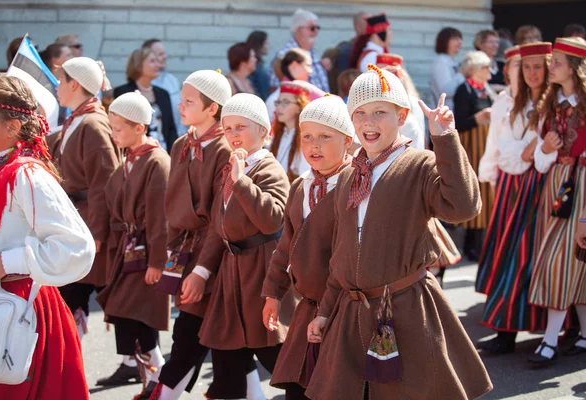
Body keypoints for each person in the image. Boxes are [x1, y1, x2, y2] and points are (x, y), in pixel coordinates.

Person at [305, 66, 492, 400]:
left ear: (402, 115)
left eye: (380, 112)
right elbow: (342, 253)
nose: (369, 122)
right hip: (351, 314)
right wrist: (324, 312)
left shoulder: (419, 163)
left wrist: (445, 139)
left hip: (405, 312)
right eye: (360, 113)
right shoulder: (350, 175)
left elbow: (463, 207)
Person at [151, 70, 263, 400]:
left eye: (189, 101)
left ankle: (164, 393)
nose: (180, 106)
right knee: (226, 340)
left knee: (192, 332)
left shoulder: (226, 149)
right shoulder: (181, 143)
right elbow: (172, 206)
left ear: (212, 108)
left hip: (218, 254)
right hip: (186, 250)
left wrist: (202, 270)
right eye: (181, 99)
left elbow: (220, 216)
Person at [0, 74, 95, 399]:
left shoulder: (27, 175)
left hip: (21, 316)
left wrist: (4, 262)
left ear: (12, 127)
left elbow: (76, 248)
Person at [196, 93, 293, 400]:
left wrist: (242, 183)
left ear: (263, 132)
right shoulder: (231, 167)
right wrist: (201, 270)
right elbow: (218, 225)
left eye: (241, 127)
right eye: (228, 129)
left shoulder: (268, 169)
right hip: (231, 272)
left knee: (274, 352)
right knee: (227, 350)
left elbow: (273, 221)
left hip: (261, 269)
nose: (234, 134)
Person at [261, 94, 354, 400]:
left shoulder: (355, 188)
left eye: (325, 137)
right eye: (308, 136)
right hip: (308, 307)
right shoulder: (301, 186)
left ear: (348, 142)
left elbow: (347, 258)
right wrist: (273, 293)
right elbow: (285, 245)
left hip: (343, 311)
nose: (314, 145)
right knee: (296, 389)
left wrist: (327, 310)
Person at [476, 42, 552, 355]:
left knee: (530, 256)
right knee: (510, 253)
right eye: (525, 67)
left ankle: (552, 329)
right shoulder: (512, 101)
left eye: (538, 67)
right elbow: (501, 143)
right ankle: (506, 328)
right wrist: (493, 173)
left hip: (540, 183)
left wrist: (533, 150)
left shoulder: (554, 103)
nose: (531, 73)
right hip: (512, 181)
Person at [95, 92, 170, 398]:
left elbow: (158, 216)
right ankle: (151, 375)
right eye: (112, 128)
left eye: (119, 128)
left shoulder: (156, 160)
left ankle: (159, 372)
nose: (114, 134)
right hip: (128, 248)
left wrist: (157, 261)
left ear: (140, 127)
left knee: (135, 311)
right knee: (125, 311)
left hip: (144, 251)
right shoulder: (130, 158)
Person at [47, 56, 121, 339]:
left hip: (89, 223)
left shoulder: (92, 123)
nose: (56, 86)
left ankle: (151, 371)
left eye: (60, 81)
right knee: (70, 298)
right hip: (76, 219)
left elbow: (105, 182)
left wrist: (98, 231)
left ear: (74, 84)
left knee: (122, 306)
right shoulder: (77, 119)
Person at [528, 37, 586, 366]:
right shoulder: (551, 105)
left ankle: (550, 340)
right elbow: (539, 161)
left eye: (558, 62)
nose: (552, 67)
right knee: (574, 261)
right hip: (555, 185)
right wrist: (547, 150)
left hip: (581, 187)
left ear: (575, 68)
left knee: (561, 262)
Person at [454, 50, 495, 262]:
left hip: (485, 145)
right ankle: (471, 244)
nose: (489, 70)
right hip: (471, 146)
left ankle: (480, 243)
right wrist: (478, 119)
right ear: (474, 70)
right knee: (474, 188)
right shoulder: (464, 89)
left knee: (486, 191)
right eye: (485, 67)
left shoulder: (485, 89)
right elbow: (459, 122)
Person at [114, 48, 178, 152]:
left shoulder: (163, 94)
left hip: (163, 154)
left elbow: (171, 129)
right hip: (135, 155)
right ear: (139, 64)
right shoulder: (124, 92)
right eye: (152, 61)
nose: (157, 65)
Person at [478, 46, 522, 186]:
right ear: (507, 70)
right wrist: (490, 174)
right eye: (517, 65)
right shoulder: (502, 100)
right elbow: (494, 139)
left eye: (525, 65)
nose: (522, 70)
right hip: (503, 174)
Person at [269, 9, 329, 92]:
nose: (316, 31)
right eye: (312, 28)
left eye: (317, 28)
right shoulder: (285, 54)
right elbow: (275, 88)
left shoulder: (312, 52)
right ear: (297, 30)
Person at [143, 39, 188, 136]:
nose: (165, 57)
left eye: (164, 53)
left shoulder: (172, 79)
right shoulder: (146, 84)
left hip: (179, 137)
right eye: (160, 54)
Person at [270, 81, 312, 181]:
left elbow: (305, 176)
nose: (279, 107)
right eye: (278, 102)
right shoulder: (279, 134)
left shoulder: (306, 138)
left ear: (299, 107)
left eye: (285, 102)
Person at [266, 48, 320, 121]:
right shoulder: (274, 99)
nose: (310, 71)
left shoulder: (273, 98)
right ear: (294, 66)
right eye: (308, 65)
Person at [429, 27, 465, 110]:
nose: (460, 42)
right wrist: (461, 74)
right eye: (455, 39)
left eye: (460, 39)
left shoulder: (451, 61)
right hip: (444, 114)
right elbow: (446, 91)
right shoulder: (441, 61)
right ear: (444, 41)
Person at [247, 31, 271, 101]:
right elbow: (264, 91)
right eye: (266, 43)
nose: (268, 46)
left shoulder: (259, 65)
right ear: (259, 44)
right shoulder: (259, 67)